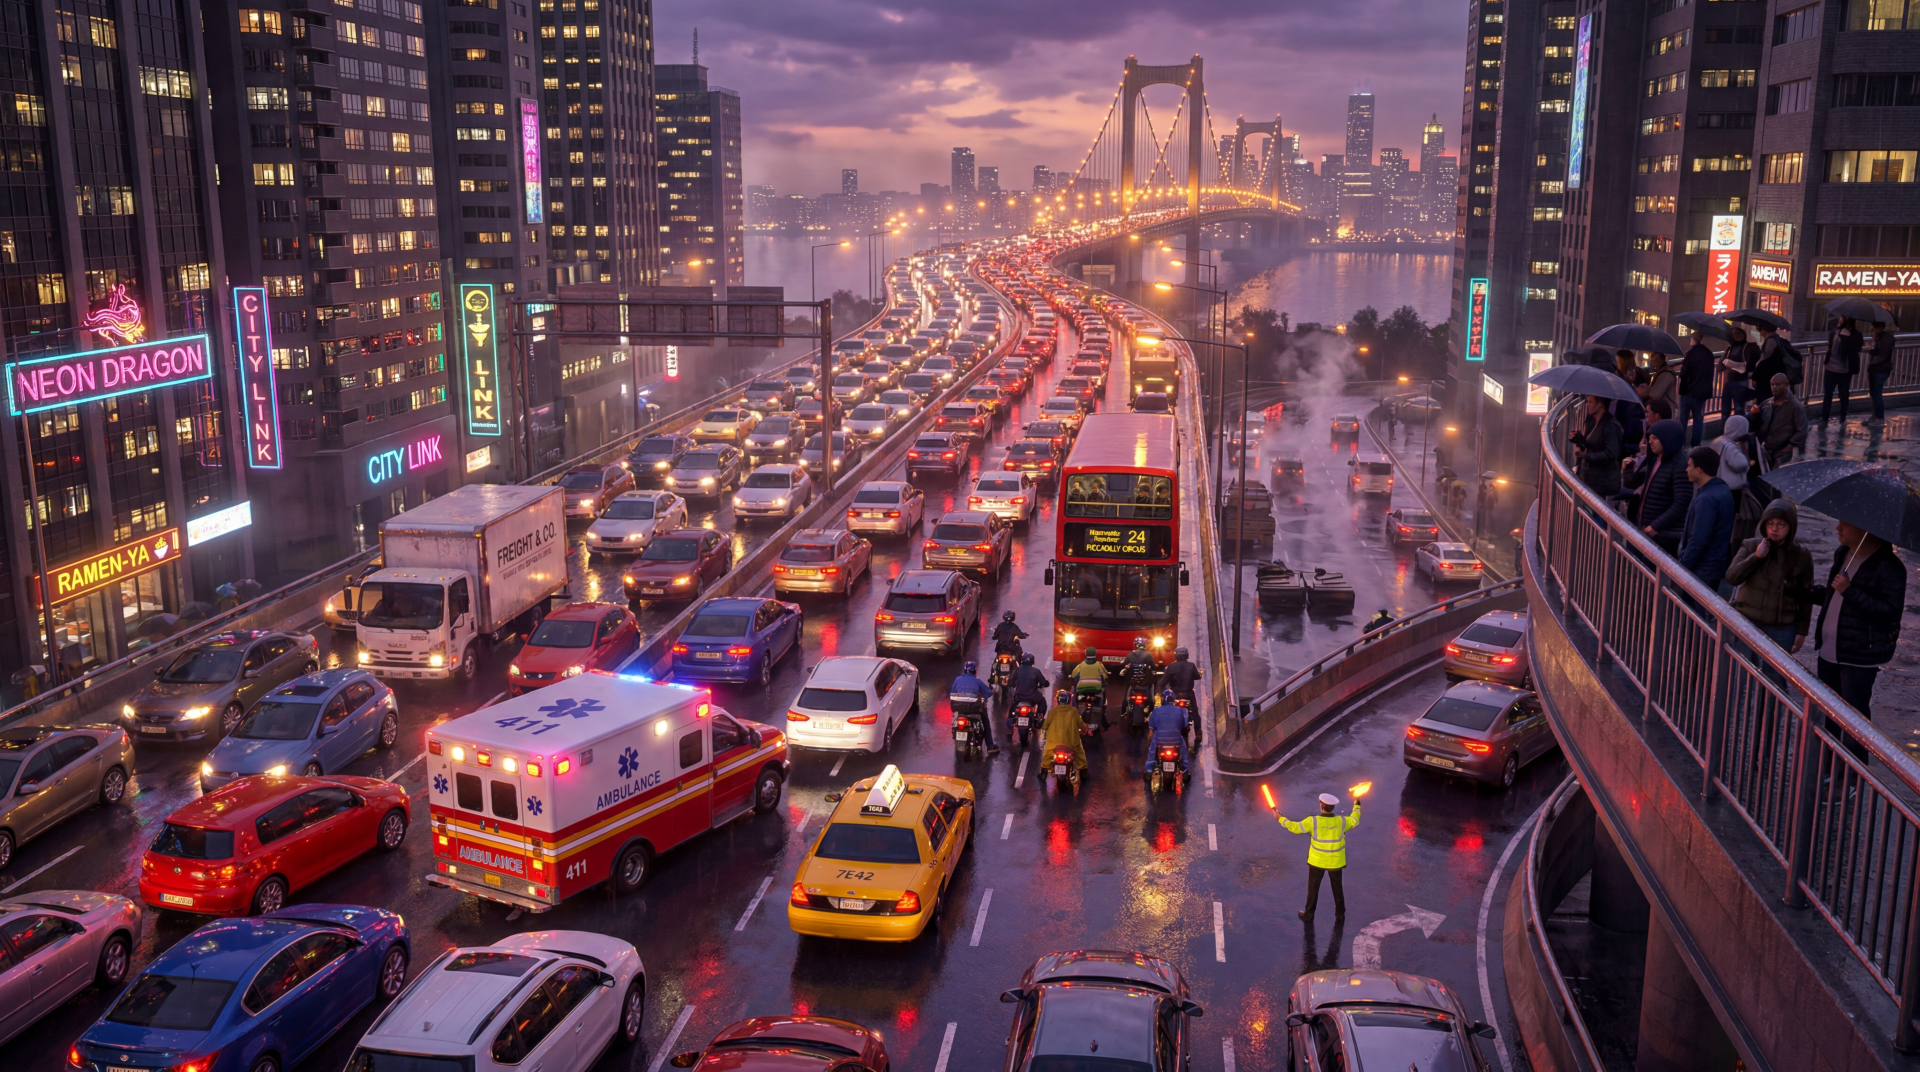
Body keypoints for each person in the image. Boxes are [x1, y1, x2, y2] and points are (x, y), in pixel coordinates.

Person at [1808, 521, 1907, 758]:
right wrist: (1807, 593)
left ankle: (1853, 774)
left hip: (1858, 657)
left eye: (1845, 524)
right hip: (1828, 650)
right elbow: (1834, 596)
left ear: (1865, 529)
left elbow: (1889, 612)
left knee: (1854, 723)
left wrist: (1850, 590)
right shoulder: (1843, 554)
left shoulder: (1890, 567)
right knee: (1828, 718)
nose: (1838, 528)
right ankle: (1828, 769)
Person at [1725, 499, 1815, 654]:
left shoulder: (1801, 555)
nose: (1774, 529)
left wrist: (1802, 631)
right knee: (1743, 666)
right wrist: (1756, 557)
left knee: (1776, 669)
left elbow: (1806, 597)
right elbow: (1732, 577)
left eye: (1781, 524)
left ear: (1790, 526)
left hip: (1782, 627)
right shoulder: (1750, 545)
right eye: (1770, 523)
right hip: (1749, 621)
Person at [1277, 792, 1361, 919]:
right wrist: (1357, 802)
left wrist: (1279, 817)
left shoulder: (1313, 821)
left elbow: (1294, 827)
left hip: (1317, 862)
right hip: (1336, 862)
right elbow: (1355, 819)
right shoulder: (1342, 821)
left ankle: (1309, 914)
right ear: (1333, 807)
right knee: (1337, 888)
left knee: (1313, 888)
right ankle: (1340, 914)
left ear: (1321, 805)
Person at [1624, 420, 1693, 553]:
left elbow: (1682, 503)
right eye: (1649, 437)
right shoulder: (1654, 460)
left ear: (1668, 439)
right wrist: (1627, 470)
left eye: (1654, 438)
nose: (1650, 441)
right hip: (1648, 530)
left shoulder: (1680, 464)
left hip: (1664, 535)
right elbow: (1633, 485)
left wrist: (1657, 526)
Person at [1677, 447, 1735, 591]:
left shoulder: (1706, 498)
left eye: (1689, 466)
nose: (1686, 470)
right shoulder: (1723, 490)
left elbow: (1698, 538)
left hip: (1701, 569)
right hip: (1713, 566)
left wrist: (1682, 566)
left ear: (1698, 470)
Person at [1570, 394, 1624, 498]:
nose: (1587, 404)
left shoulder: (1611, 426)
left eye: (1590, 402)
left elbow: (1611, 454)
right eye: (1587, 401)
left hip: (1602, 481)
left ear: (1600, 404)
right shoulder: (1592, 421)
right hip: (1590, 477)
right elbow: (1592, 445)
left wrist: (1586, 456)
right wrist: (1577, 438)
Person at [1754, 373, 1807, 468]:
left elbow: (1802, 430)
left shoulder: (1795, 406)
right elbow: (1758, 425)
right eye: (1772, 384)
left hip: (1784, 451)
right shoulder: (1766, 404)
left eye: (1778, 384)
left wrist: (1789, 447)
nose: (1774, 387)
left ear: (1786, 385)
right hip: (1767, 449)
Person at [949, 660, 999, 754]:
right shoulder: (977, 681)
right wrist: (983, 697)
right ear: (975, 670)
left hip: (959, 708)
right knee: (985, 722)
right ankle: (990, 746)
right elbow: (988, 692)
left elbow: (952, 692)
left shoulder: (958, 679)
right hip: (974, 709)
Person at [1679, 333, 1716, 446]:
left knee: (1683, 419)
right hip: (1702, 393)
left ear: (1694, 340)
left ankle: (1681, 444)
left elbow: (1683, 373)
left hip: (1688, 391)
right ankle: (1695, 445)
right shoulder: (1709, 354)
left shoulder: (1690, 353)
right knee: (1698, 419)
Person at [1822, 318, 1862, 423]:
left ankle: (1825, 418)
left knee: (1828, 395)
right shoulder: (1855, 336)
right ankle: (1843, 417)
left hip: (1830, 368)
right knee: (1844, 394)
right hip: (1845, 371)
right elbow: (1856, 350)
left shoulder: (1833, 333)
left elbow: (1830, 348)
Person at [1042, 687, 1089, 775]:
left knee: (1047, 753)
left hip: (1053, 742)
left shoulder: (1053, 711)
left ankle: (1043, 772)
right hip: (1071, 742)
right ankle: (1083, 773)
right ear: (1069, 700)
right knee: (1079, 752)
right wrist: (1084, 729)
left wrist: (1043, 728)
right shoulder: (1074, 711)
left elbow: (1045, 725)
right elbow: (1081, 725)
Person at [1145, 688, 1190, 774]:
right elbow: (1184, 725)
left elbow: (1151, 725)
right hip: (1176, 738)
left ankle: (1149, 768)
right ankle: (1185, 768)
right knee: (1183, 748)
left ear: (1162, 698)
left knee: (1152, 748)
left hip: (1159, 739)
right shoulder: (1179, 710)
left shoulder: (1156, 710)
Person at [1752, 321, 1801, 393]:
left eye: (1760, 330)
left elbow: (1764, 359)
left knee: (1766, 396)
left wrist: (1755, 374)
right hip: (1776, 374)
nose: (1760, 333)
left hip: (1769, 376)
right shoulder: (1777, 339)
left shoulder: (1770, 340)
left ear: (1765, 329)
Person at [1720, 325, 1754, 420]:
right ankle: (1725, 427)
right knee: (1726, 410)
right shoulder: (1730, 348)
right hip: (1730, 381)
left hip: (1740, 382)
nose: (1733, 336)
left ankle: (1738, 427)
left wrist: (1733, 366)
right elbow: (1720, 367)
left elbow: (1749, 365)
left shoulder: (1747, 347)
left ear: (1741, 335)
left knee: (1738, 410)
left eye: (1735, 334)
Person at [1868, 322, 1895, 424]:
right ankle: (1875, 416)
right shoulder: (1881, 336)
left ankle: (1879, 418)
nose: (1872, 329)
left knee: (1877, 394)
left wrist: (1873, 351)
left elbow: (1883, 354)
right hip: (1877, 368)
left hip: (1880, 369)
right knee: (1874, 394)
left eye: (1873, 327)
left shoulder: (1885, 338)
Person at [1645, 352, 1681, 422]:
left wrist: (1643, 393)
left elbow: (1655, 394)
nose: (1653, 361)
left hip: (1665, 410)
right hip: (1664, 409)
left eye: (1656, 359)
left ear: (1661, 360)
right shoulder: (1664, 372)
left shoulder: (1665, 374)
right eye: (1653, 359)